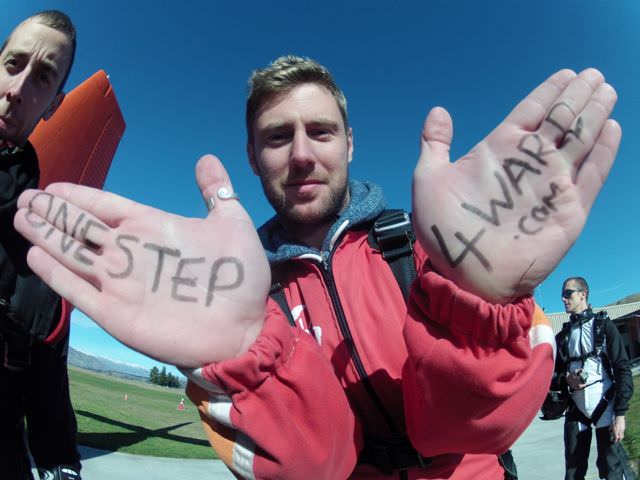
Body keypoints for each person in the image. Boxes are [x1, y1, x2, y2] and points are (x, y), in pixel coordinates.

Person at [13, 55, 620, 479]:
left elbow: (486, 430)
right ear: (251, 156)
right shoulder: (232, 300)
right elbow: (316, 467)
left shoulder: (434, 247)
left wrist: (476, 298)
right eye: (278, 137)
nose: (301, 154)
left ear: (350, 142)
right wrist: (247, 352)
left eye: (320, 131)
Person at [0, 10, 81, 480]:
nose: (17, 90)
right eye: (13, 64)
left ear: (53, 104)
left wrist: (61, 468)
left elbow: (49, 388)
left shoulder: (42, 249)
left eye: (42, 78)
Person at [555, 277, 634, 480]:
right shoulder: (562, 338)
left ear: (583, 294)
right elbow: (552, 377)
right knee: (573, 472)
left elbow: (622, 369)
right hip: (575, 408)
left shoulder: (603, 327)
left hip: (605, 406)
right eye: (562, 295)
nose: (563, 299)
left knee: (611, 470)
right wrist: (566, 379)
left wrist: (620, 414)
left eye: (568, 293)